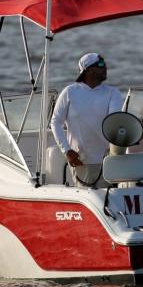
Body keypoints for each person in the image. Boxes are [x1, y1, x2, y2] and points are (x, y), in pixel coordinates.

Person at [49, 52, 123, 187]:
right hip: (81, 160)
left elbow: (114, 120)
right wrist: (67, 151)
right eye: (100, 64)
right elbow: (55, 122)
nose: (105, 67)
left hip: (109, 160)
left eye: (104, 64)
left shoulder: (113, 92)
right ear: (87, 69)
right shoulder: (69, 92)